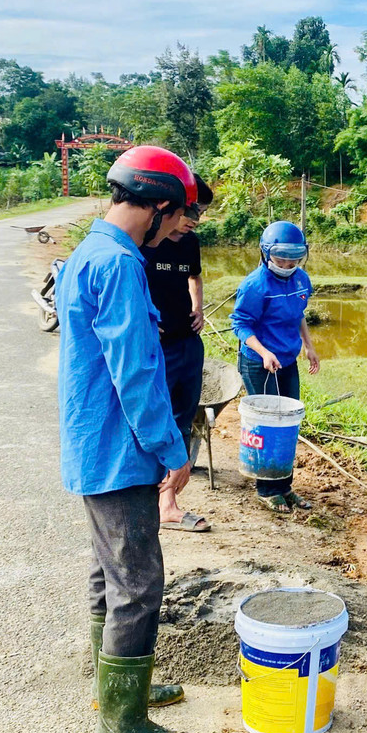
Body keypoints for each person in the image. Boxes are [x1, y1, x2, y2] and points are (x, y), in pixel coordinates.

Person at [58, 145, 201, 733]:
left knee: (107, 569)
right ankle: (122, 723)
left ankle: (114, 686)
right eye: (177, 217)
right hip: (121, 448)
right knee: (139, 581)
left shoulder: (87, 254)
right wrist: (173, 451)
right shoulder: (118, 265)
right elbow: (136, 373)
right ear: (160, 205)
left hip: (96, 444)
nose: (176, 230)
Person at [229, 220, 321, 513]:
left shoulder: (301, 279)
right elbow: (241, 325)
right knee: (267, 424)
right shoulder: (255, 285)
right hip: (259, 362)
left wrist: (309, 346)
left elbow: (299, 315)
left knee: (289, 421)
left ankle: (285, 485)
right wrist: (264, 352)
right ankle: (267, 489)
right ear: (266, 253)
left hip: (287, 360)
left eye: (294, 259)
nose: (287, 264)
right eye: (281, 259)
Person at [144, 171, 214, 533]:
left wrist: (198, 308)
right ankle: (146, 499)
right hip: (154, 346)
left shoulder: (190, 244)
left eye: (200, 212)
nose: (194, 221)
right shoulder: (143, 243)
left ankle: (168, 501)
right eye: (192, 210)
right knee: (156, 416)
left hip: (185, 341)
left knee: (183, 418)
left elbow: (194, 277)